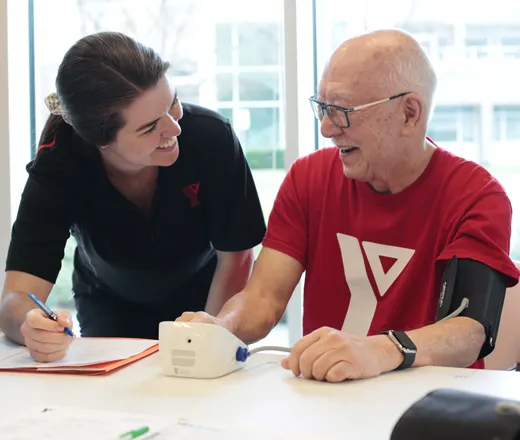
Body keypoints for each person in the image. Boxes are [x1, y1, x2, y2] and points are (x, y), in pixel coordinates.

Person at [177, 29, 520, 382]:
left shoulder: (477, 196)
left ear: (409, 113)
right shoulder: (308, 178)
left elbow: (469, 331)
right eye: (323, 108)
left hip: (431, 407)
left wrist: (380, 350)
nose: (326, 128)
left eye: (342, 111)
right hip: (328, 396)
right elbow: (263, 298)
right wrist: (219, 326)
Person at [0, 32, 266, 362]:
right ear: (100, 140)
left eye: (173, 104)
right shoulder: (61, 162)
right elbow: (15, 297)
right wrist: (30, 325)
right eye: (150, 127)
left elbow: (237, 255)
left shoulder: (211, 138)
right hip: (108, 302)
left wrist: (209, 333)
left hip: (208, 296)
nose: (174, 129)